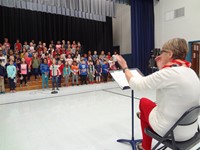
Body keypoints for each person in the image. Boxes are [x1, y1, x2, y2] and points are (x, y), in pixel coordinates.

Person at [116, 38, 200, 150]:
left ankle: (145, 146)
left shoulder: (169, 73)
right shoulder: (191, 72)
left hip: (173, 132)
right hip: (192, 130)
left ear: (170, 54)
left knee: (144, 102)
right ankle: (144, 119)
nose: (159, 55)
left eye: (162, 52)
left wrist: (125, 67)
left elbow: (137, 84)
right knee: (150, 108)